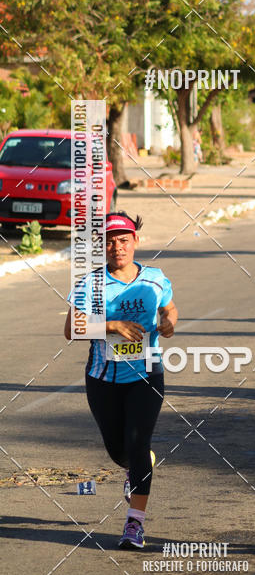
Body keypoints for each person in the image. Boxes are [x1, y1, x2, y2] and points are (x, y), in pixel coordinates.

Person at [64, 212, 178, 549]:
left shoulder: (155, 278)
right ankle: (131, 466)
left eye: (124, 240)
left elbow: (170, 308)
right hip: (103, 378)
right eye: (111, 241)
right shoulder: (90, 284)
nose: (117, 247)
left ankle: (134, 524)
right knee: (118, 449)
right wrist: (112, 326)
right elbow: (72, 329)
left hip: (147, 375)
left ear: (135, 242)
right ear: (103, 246)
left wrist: (168, 321)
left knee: (139, 443)